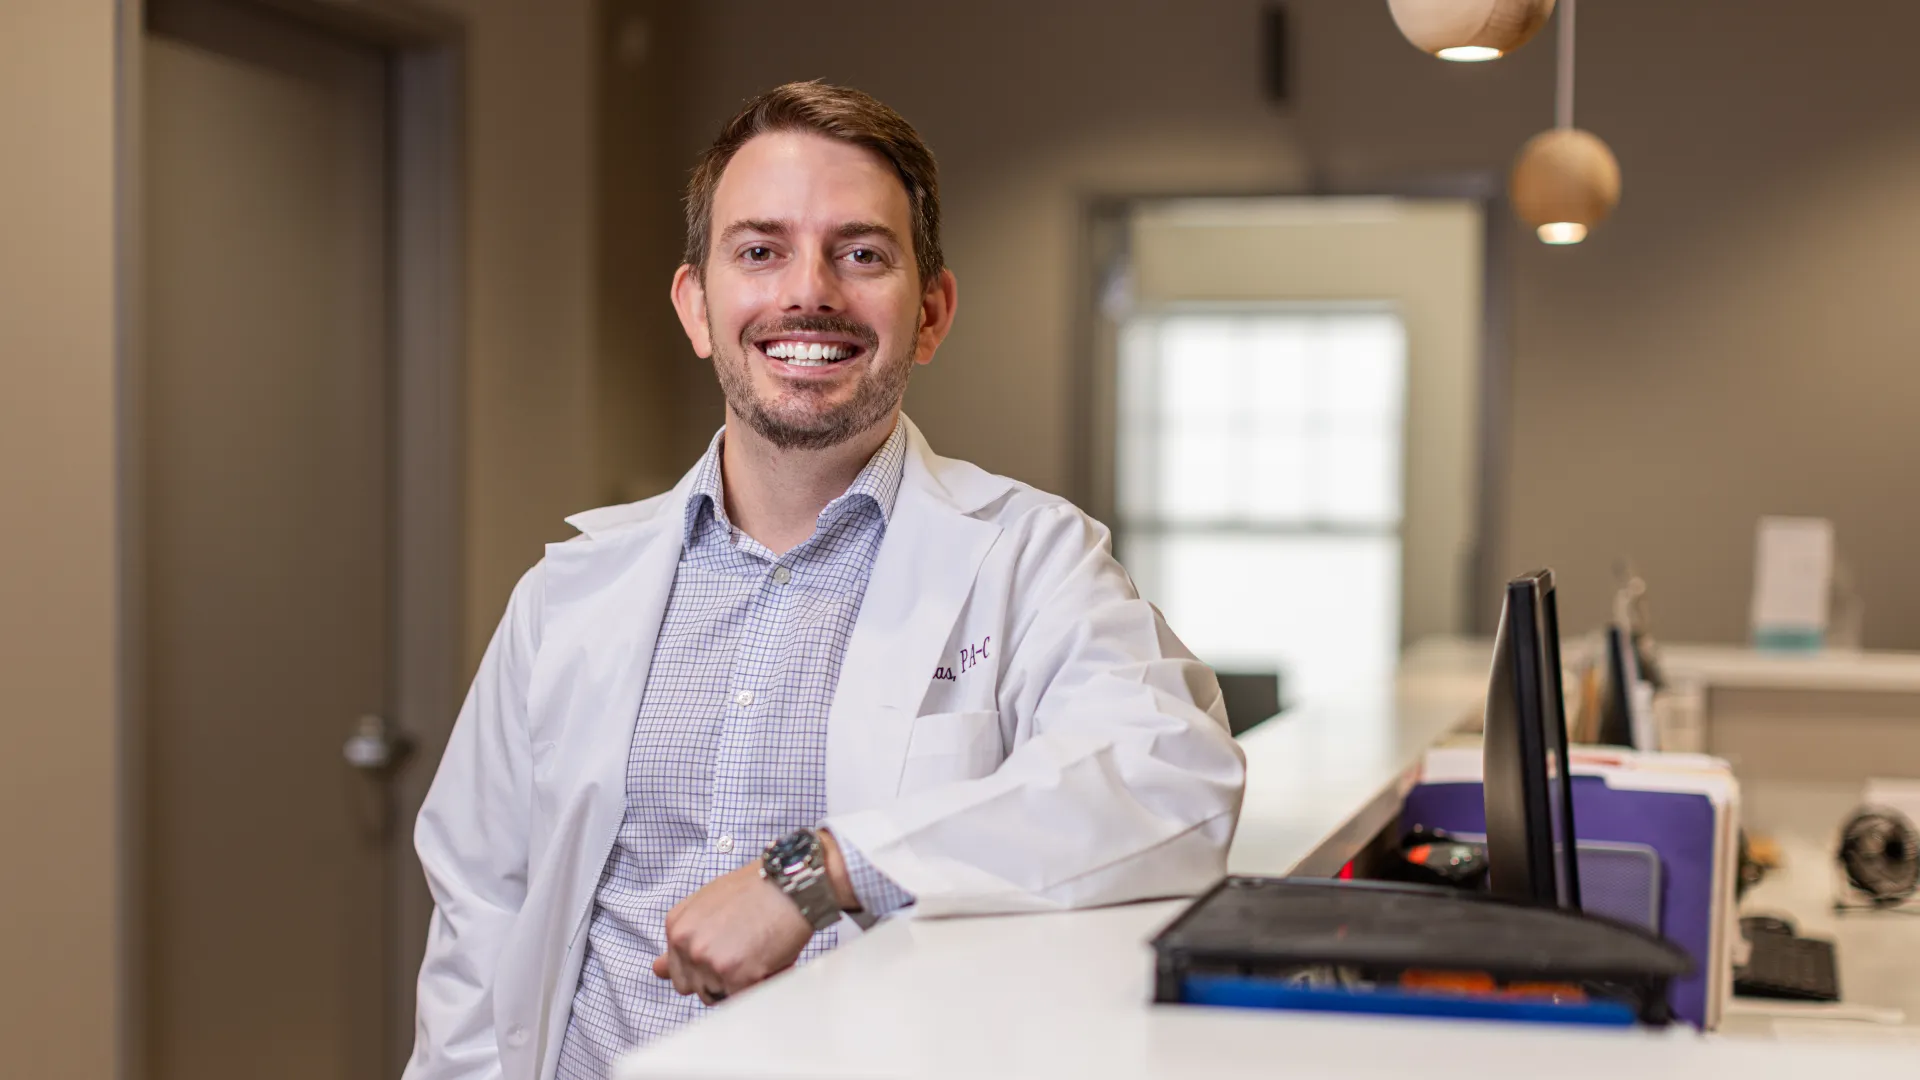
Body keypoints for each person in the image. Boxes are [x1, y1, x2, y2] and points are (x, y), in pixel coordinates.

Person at [404, 81, 1245, 1080]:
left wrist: (823, 872)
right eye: (759, 252)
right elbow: (479, 927)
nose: (810, 292)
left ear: (929, 313)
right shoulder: (567, 598)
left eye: (861, 254)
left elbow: (1175, 782)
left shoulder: (1029, 560)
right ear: (698, 307)